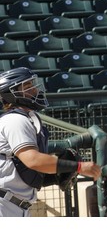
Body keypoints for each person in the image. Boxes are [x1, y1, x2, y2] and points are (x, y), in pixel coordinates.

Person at [0, 67, 101, 217]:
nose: (35, 90)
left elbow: (22, 170)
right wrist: (79, 166)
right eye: (27, 87)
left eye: (32, 84)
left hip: (15, 204)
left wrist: (55, 175)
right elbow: (33, 160)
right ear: (12, 94)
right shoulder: (15, 120)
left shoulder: (28, 118)